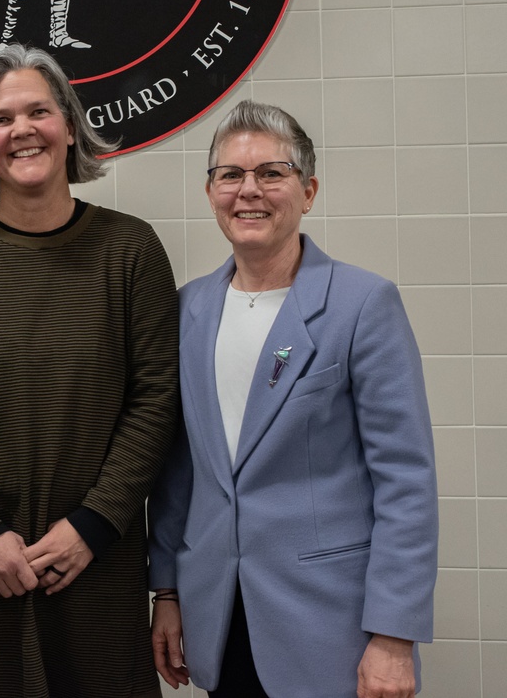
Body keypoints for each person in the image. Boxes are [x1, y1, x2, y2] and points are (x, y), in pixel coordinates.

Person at [0, 43, 179, 698]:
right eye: (0, 119)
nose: (21, 130)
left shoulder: (130, 252)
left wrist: (95, 522)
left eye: (38, 112)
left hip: (94, 564)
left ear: (70, 126)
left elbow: (156, 400)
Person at [148, 100, 438, 698]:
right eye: (230, 175)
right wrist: (168, 592)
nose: (248, 191)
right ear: (210, 193)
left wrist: (393, 636)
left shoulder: (363, 306)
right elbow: (178, 471)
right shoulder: (186, 311)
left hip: (331, 629)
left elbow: (405, 482)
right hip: (218, 618)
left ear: (307, 191)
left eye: (270, 173)